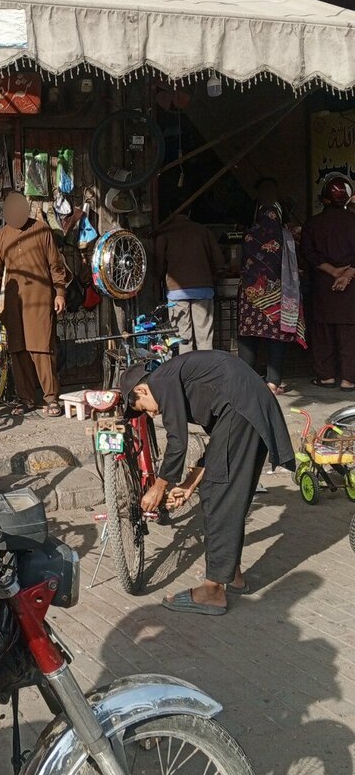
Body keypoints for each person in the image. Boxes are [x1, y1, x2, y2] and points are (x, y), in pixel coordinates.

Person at [120, 352, 294, 615]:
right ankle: (231, 573)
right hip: (246, 408)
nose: (152, 414)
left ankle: (212, 590)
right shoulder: (182, 382)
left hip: (243, 409)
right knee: (231, 492)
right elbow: (216, 445)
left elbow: (178, 440)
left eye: (144, 408)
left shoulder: (161, 379)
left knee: (217, 494)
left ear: (142, 389)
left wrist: (160, 485)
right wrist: (189, 485)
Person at [0, 191, 66, 417]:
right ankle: (26, 398)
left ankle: (51, 398)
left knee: (42, 348)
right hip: (13, 303)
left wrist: (59, 293)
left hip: (41, 300)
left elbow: (55, 266)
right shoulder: (1, 237)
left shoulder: (42, 230)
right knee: (18, 350)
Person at [237, 193, 306, 394]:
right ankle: (273, 383)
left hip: (250, 296)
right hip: (277, 294)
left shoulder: (249, 234)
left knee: (248, 337)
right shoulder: (285, 236)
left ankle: (247, 383)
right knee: (276, 337)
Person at [301, 174, 355, 390]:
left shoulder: (313, 224)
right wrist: (348, 273)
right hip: (351, 288)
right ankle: (349, 379)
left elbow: (307, 252)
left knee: (322, 332)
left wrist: (332, 271)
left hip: (323, 287)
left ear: (323, 199)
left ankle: (326, 377)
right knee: (349, 334)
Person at [154, 208, 224, 351]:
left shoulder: (165, 234)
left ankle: (187, 372)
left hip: (176, 292)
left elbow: (159, 267)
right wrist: (214, 276)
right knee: (204, 339)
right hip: (203, 289)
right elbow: (219, 261)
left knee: (183, 340)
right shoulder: (203, 231)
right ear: (190, 213)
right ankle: (205, 372)